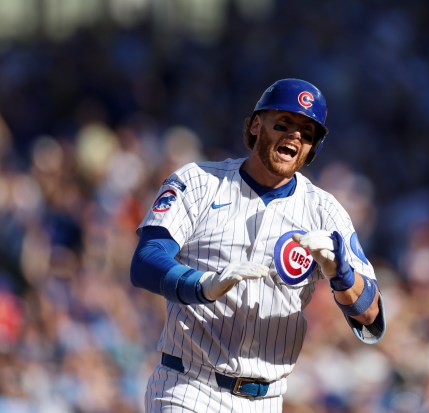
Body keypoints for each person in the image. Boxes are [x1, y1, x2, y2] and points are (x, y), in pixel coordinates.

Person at [130, 78, 386, 412]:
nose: (295, 136)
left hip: (265, 400)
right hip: (187, 384)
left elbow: (371, 317)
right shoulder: (199, 181)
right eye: (284, 124)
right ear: (255, 125)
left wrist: (343, 275)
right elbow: (147, 260)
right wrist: (201, 285)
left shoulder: (325, 212)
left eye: (306, 133)